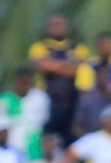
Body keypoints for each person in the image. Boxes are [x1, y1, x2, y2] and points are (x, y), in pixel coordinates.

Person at [28, 14, 88, 145]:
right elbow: (43, 66)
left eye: (60, 24)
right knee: (45, 140)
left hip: (71, 105)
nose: (57, 28)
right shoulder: (39, 47)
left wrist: (54, 66)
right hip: (47, 103)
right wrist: (68, 65)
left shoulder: (78, 48)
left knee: (70, 141)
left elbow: (80, 68)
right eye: (53, 25)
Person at [0, 64, 50, 162]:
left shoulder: (41, 99)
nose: (24, 85)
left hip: (34, 153)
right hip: (11, 153)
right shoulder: (4, 100)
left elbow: (43, 123)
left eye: (27, 82)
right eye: (21, 82)